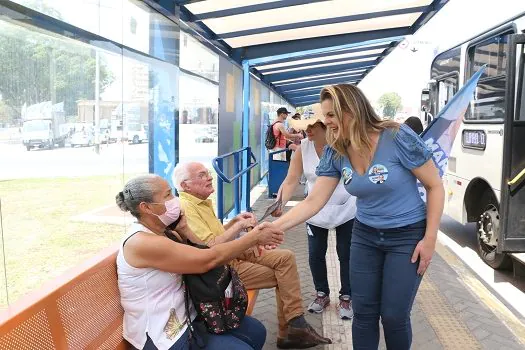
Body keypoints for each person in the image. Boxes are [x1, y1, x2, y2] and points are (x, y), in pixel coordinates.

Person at [272, 84, 444, 350]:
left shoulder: (397, 136)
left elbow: (435, 186)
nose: (326, 122)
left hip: (407, 236)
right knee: (364, 314)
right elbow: (314, 201)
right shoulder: (336, 150)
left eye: (331, 115)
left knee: (394, 316)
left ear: (352, 110)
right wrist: (272, 228)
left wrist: (430, 238)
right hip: (365, 236)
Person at [174, 162, 332, 349]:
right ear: (185, 186)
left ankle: (295, 325)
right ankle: (290, 330)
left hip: (231, 253)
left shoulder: (201, 202)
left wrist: (234, 222)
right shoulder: (187, 207)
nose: (209, 177)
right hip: (223, 267)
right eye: (202, 175)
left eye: (207, 173)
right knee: (284, 276)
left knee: (285, 257)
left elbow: (214, 236)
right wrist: (247, 233)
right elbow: (211, 249)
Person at [116, 174, 283, 350]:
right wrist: (253, 238)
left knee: (256, 332)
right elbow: (208, 261)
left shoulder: (166, 232)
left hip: (190, 315)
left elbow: (204, 251)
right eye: (167, 196)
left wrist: (185, 230)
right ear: (146, 207)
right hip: (163, 333)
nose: (175, 200)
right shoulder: (141, 242)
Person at [272, 106, 357, 320]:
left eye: (312, 126)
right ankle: (322, 293)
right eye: (305, 127)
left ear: (326, 126)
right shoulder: (303, 148)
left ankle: (347, 296)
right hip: (313, 210)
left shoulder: (345, 147)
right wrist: (280, 202)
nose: (308, 131)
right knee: (315, 254)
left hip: (347, 209)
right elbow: (291, 179)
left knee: (346, 254)